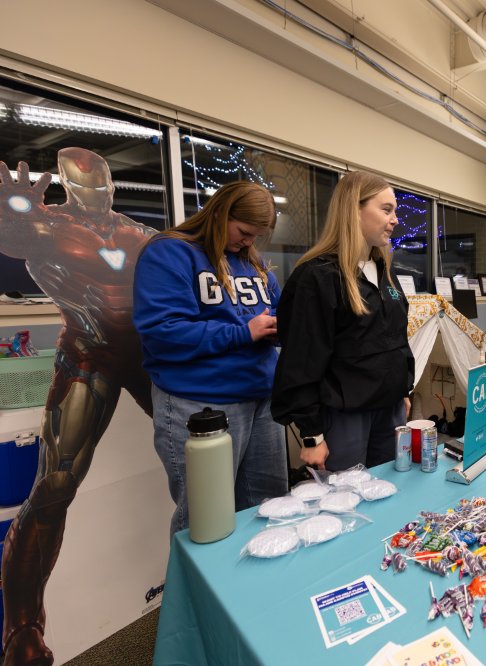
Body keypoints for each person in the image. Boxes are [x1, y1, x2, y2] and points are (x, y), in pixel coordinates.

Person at [0, 148, 156, 666]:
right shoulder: (48, 225)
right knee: (55, 484)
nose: (98, 191)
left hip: (148, 354)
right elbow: (15, 236)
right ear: (67, 184)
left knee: (211, 443)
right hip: (88, 355)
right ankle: (22, 626)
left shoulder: (137, 233)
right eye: (86, 183)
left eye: (104, 182)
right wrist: (14, 212)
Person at [133, 181, 288, 537]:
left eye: (256, 236)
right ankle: (196, 593)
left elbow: (278, 310)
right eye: (244, 232)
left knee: (269, 511)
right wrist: (243, 333)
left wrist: (282, 328)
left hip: (261, 399)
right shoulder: (170, 253)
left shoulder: (254, 263)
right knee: (205, 522)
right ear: (220, 213)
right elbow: (162, 332)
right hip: (201, 405)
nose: (249, 242)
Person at [271, 170, 413, 471]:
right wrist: (311, 434)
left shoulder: (386, 272)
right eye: (386, 209)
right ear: (354, 210)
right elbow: (301, 361)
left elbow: (395, 339)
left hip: (389, 410)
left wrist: (402, 390)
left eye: (395, 211)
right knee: (347, 507)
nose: (395, 219)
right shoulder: (317, 277)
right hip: (345, 416)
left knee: (391, 495)